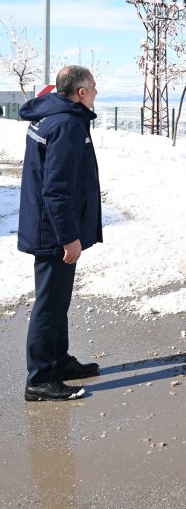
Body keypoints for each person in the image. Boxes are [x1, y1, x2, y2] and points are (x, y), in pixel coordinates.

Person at [18, 65, 102, 401]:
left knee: (57, 301)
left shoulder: (56, 113)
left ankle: (58, 361)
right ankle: (39, 378)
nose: (96, 91)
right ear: (80, 92)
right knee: (49, 305)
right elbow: (57, 189)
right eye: (93, 86)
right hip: (52, 230)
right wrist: (69, 236)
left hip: (48, 224)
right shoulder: (66, 123)